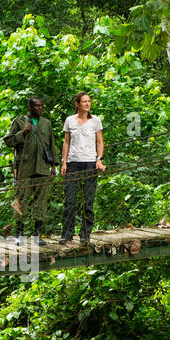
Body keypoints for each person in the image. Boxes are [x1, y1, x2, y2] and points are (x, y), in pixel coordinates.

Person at [2, 96, 57, 244]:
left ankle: (37, 236)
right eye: (37, 106)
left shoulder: (46, 124)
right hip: (24, 168)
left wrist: (54, 165)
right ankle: (19, 235)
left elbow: (51, 144)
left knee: (41, 201)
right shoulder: (19, 121)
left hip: (43, 167)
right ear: (30, 107)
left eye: (41, 106)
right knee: (22, 200)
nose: (40, 108)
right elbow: (8, 141)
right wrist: (23, 133)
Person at [60, 91, 104, 244]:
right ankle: (66, 234)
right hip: (73, 163)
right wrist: (64, 162)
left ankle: (85, 234)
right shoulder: (69, 120)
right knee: (70, 200)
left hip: (90, 163)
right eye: (84, 101)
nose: (87, 104)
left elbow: (100, 142)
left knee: (88, 201)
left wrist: (99, 160)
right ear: (77, 104)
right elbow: (66, 142)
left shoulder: (95, 121)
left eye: (89, 101)